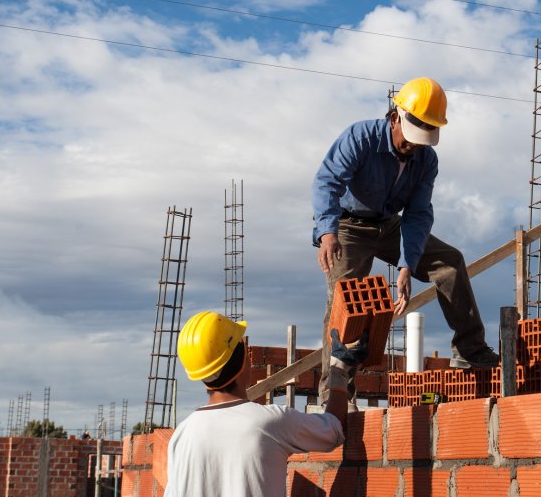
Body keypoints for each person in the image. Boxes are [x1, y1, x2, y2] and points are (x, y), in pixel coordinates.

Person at [312, 77, 500, 405]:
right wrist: (327, 232)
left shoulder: (426, 160)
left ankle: (470, 349)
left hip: (389, 225)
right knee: (346, 302)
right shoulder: (360, 138)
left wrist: (405, 265)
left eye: (424, 137)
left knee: (449, 263)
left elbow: (417, 215)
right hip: (348, 228)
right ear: (396, 116)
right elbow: (327, 182)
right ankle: (336, 397)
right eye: (412, 136)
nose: (414, 145)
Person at [164, 310, 368, 497]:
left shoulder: (181, 436)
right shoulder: (268, 423)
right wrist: (340, 370)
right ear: (243, 359)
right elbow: (333, 429)